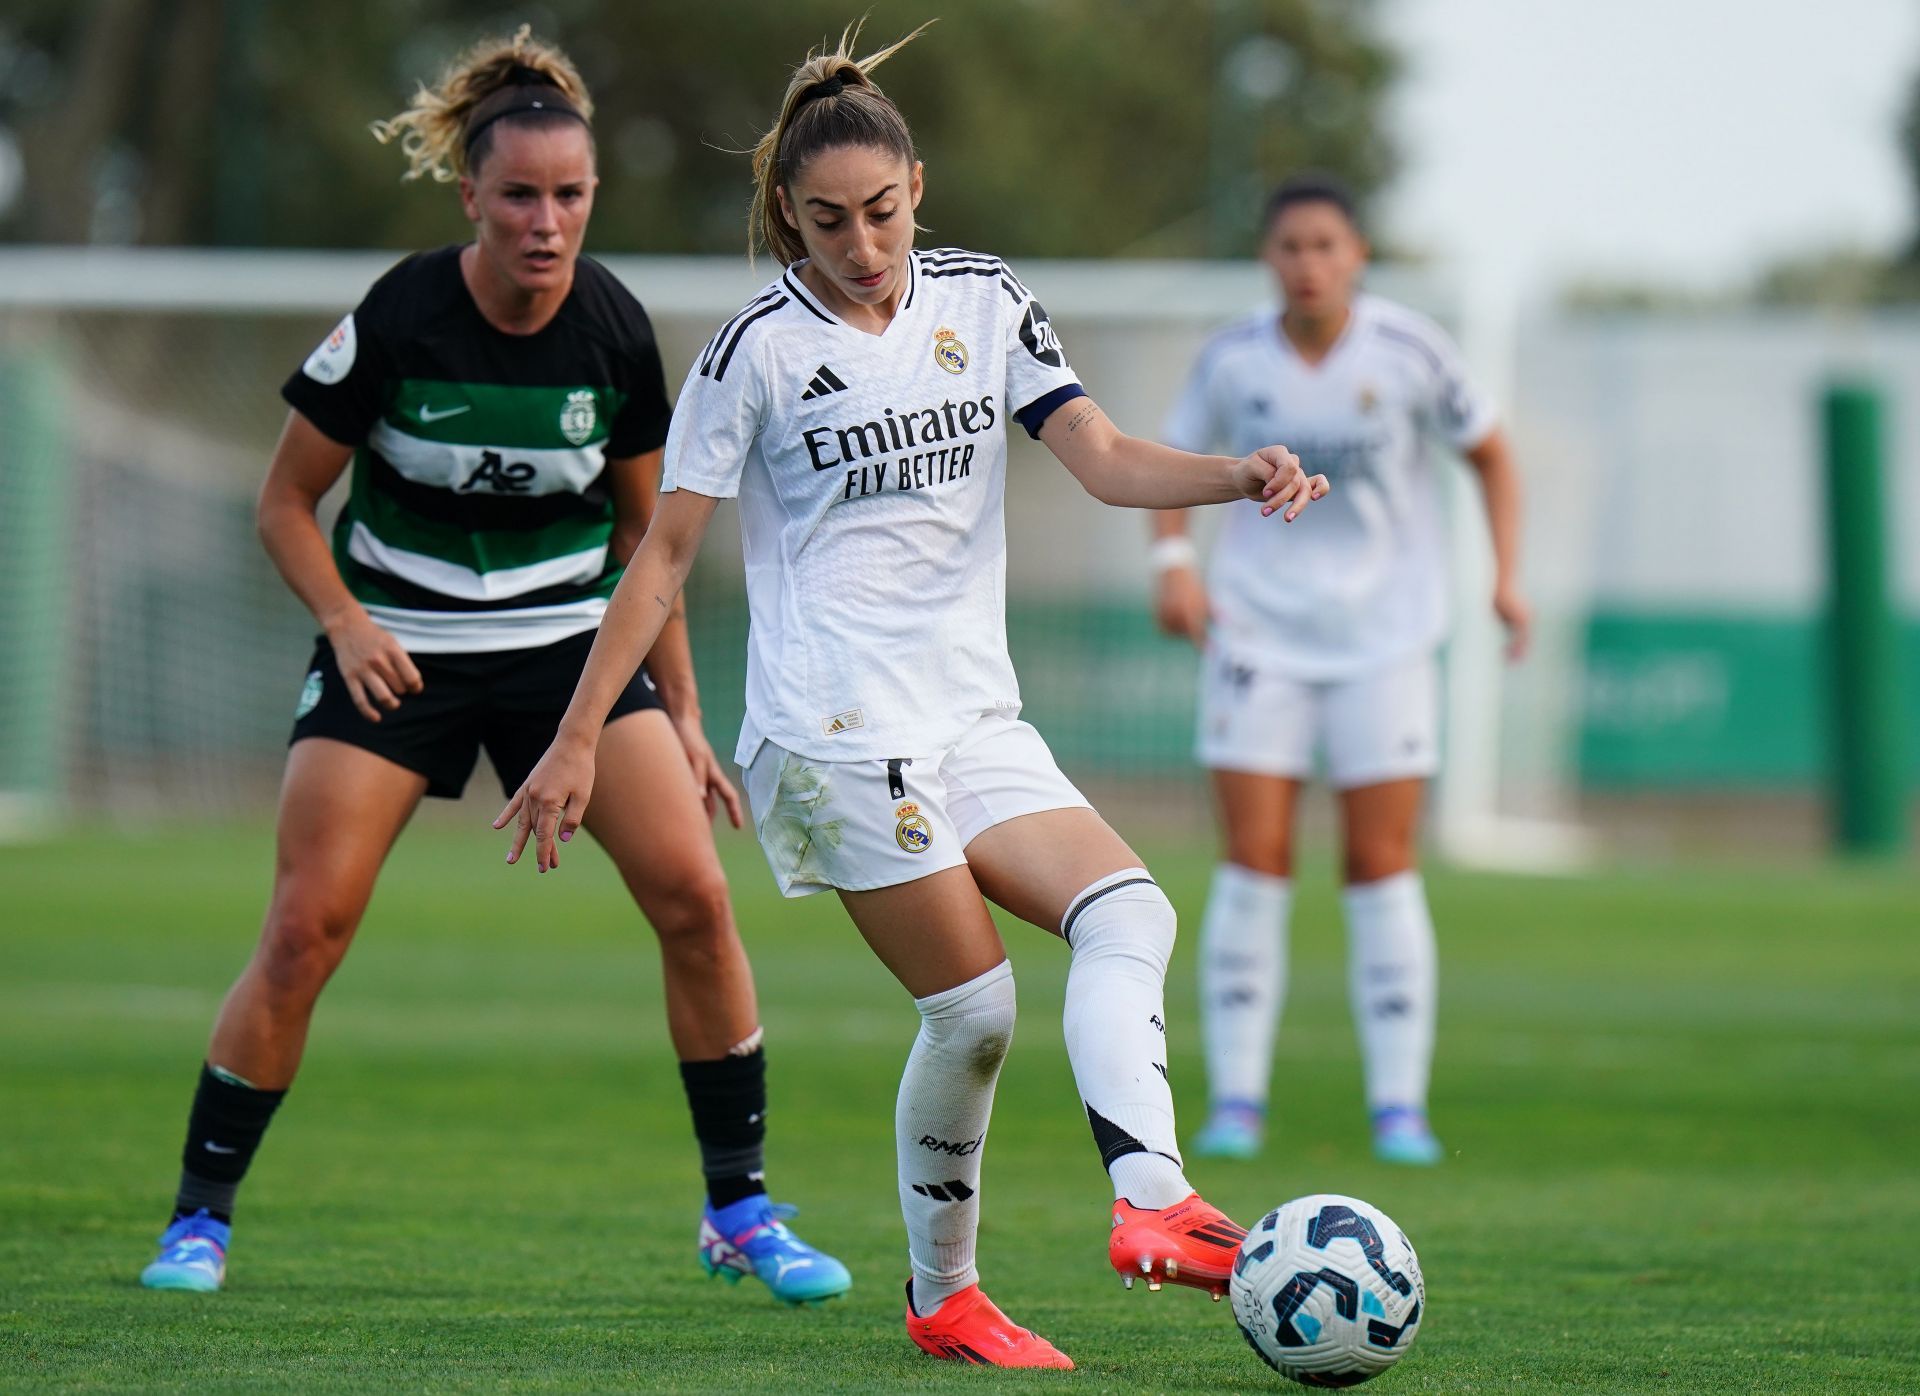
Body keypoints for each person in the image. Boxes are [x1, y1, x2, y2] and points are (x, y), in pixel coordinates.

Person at [495, 23, 1329, 1370]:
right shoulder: (753, 351)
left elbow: (1102, 457)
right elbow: (662, 556)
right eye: (828, 221)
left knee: (1130, 910)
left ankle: (1153, 1202)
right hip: (828, 735)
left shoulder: (987, 301)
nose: (862, 244)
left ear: (918, 190)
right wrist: (581, 733)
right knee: (977, 1009)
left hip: (967, 716)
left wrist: (1240, 475)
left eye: (881, 212)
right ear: (788, 215)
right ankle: (946, 1292)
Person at [138, 27, 848, 1307]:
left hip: (568, 654)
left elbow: (648, 542)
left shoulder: (617, 333)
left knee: (696, 896)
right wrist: (350, 623)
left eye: (569, 195)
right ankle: (200, 1217)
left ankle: (739, 1210)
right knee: (305, 929)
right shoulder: (400, 316)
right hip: (396, 653)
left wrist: (681, 713)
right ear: (470, 194)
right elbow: (286, 504)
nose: (545, 220)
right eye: (518, 194)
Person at [1152, 173, 1531, 1167]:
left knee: (1379, 863)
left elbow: (1492, 452)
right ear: (1268, 259)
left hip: (1385, 640)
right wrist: (1173, 565)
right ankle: (1237, 1099)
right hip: (1257, 637)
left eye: (1326, 245)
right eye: (1290, 246)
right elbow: (1166, 460)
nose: (1308, 263)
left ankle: (1398, 1106)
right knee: (1256, 859)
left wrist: (1507, 578)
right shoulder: (1233, 359)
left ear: (1357, 254)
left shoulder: (1409, 351)